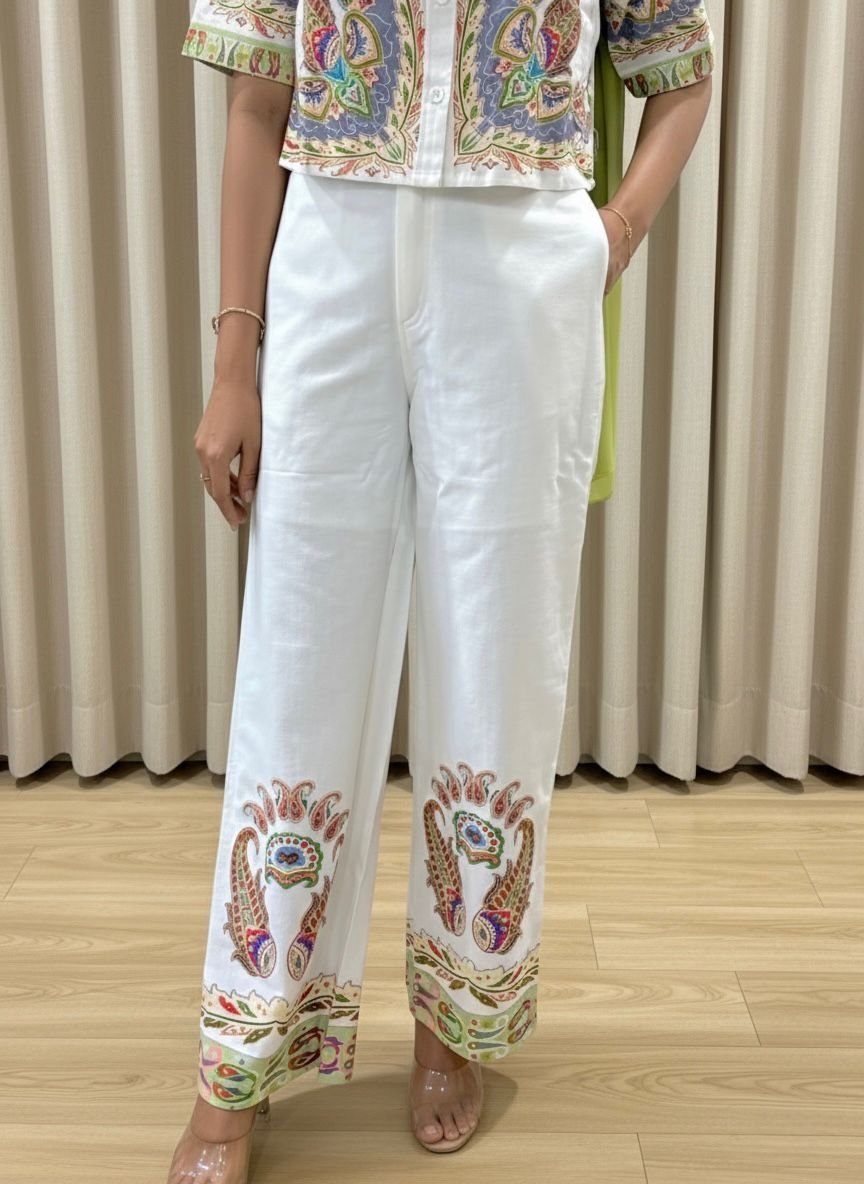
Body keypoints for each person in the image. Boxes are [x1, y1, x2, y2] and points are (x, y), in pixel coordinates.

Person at [167, 0, 715, 1178]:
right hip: (332, 249)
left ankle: (454, 1014)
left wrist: (614, 231)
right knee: (296, 660)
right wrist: (231, 361)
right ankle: (242, 1053)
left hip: (520, 266)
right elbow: (259, 99)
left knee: (495, 652)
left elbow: (682, 71)